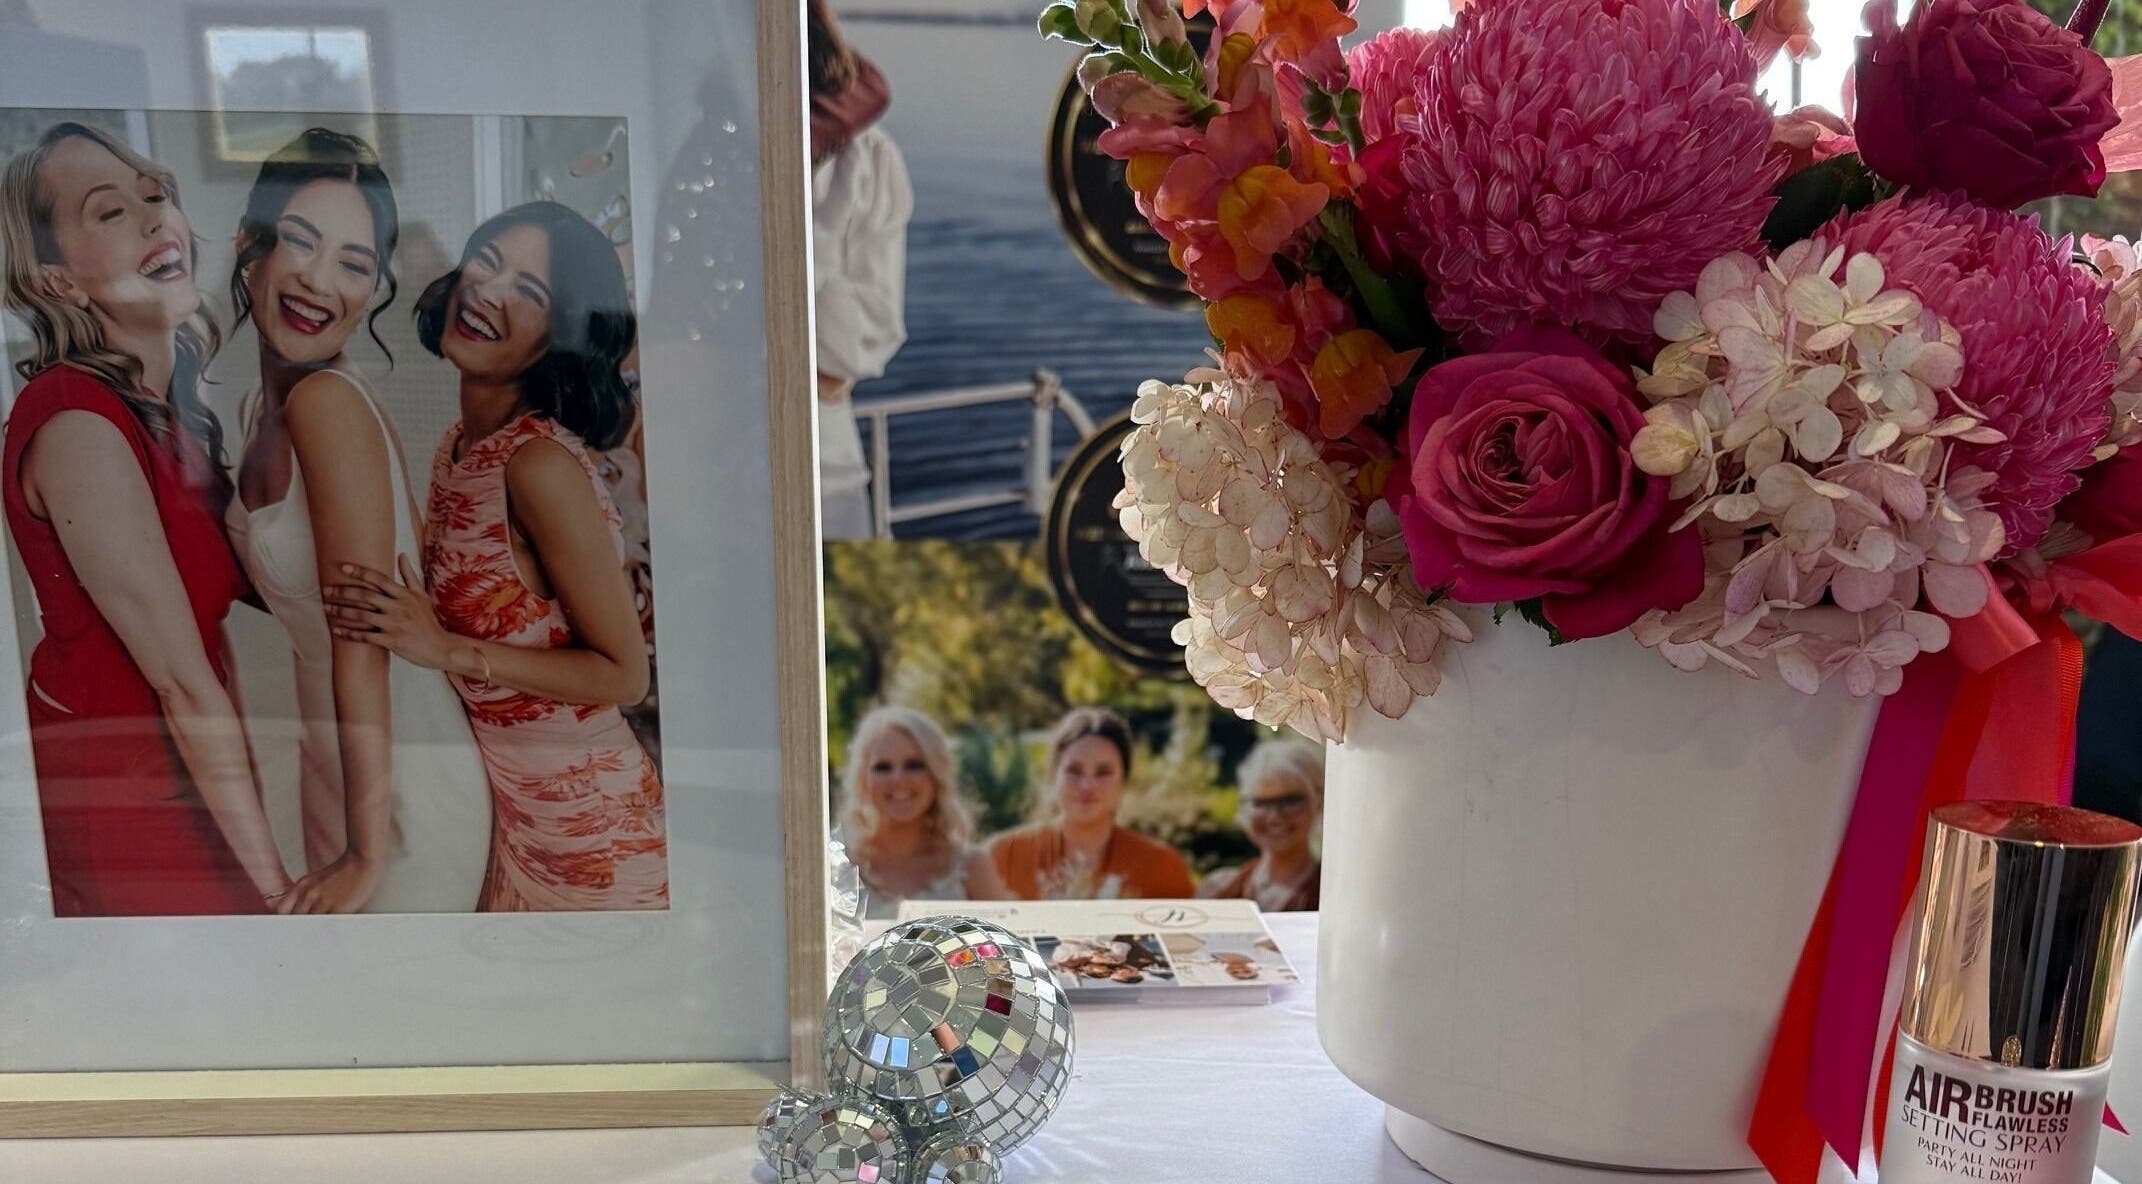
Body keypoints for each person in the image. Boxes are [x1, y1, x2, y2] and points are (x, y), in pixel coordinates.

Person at [323, 201, 666, 912]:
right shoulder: (459, 445)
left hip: (592, 833)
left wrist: (445, 650)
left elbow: (624, 675)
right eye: (486, 262)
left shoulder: (538, 465)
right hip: (511, 818)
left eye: (530, 292)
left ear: (558, 338)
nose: (489, 291)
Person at [0, 122, 290, 915]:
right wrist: (279, 897)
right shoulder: (76, 423)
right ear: (56, 280)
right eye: (109, 212)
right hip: (125, 803)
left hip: (193, 769)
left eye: (154, 196)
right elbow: (180, 681)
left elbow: (257, 577)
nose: (157, 218)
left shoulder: (172, 406)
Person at [224, 128, 491, 913]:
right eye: (300, 244)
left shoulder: (327, 405)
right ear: (251, 249)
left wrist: (367, 854)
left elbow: (362, 641)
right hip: (336, 767)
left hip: (400, 796)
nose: (320, 282)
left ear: (374, 288)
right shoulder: (256, 410)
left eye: (354, 263)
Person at [807, 0, 911, 539]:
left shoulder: (864, 157)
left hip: (825, 463)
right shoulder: (702, 146)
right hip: (700, 449)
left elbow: (866, 336)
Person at [988, 707, 1194, 900]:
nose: (1087, 785)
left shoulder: (1161, 866)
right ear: (1053, 776)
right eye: (1074, 771)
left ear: (1124, 780)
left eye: (1103, 772)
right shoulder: (1003, 857)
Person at [838, 704, 1009, 916]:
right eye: (883, 767)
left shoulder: (972, 867)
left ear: (937, 774)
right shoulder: (836, 868)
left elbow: (1006, 946)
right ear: (863, 779)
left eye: (913, 765)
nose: (898, 779)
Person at [1199, 739, 1324, 912]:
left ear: (1318, 803)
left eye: (1290, 801)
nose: (1275, 817)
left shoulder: (1330, 895)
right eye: (1261, 803)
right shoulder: (1219, 891)